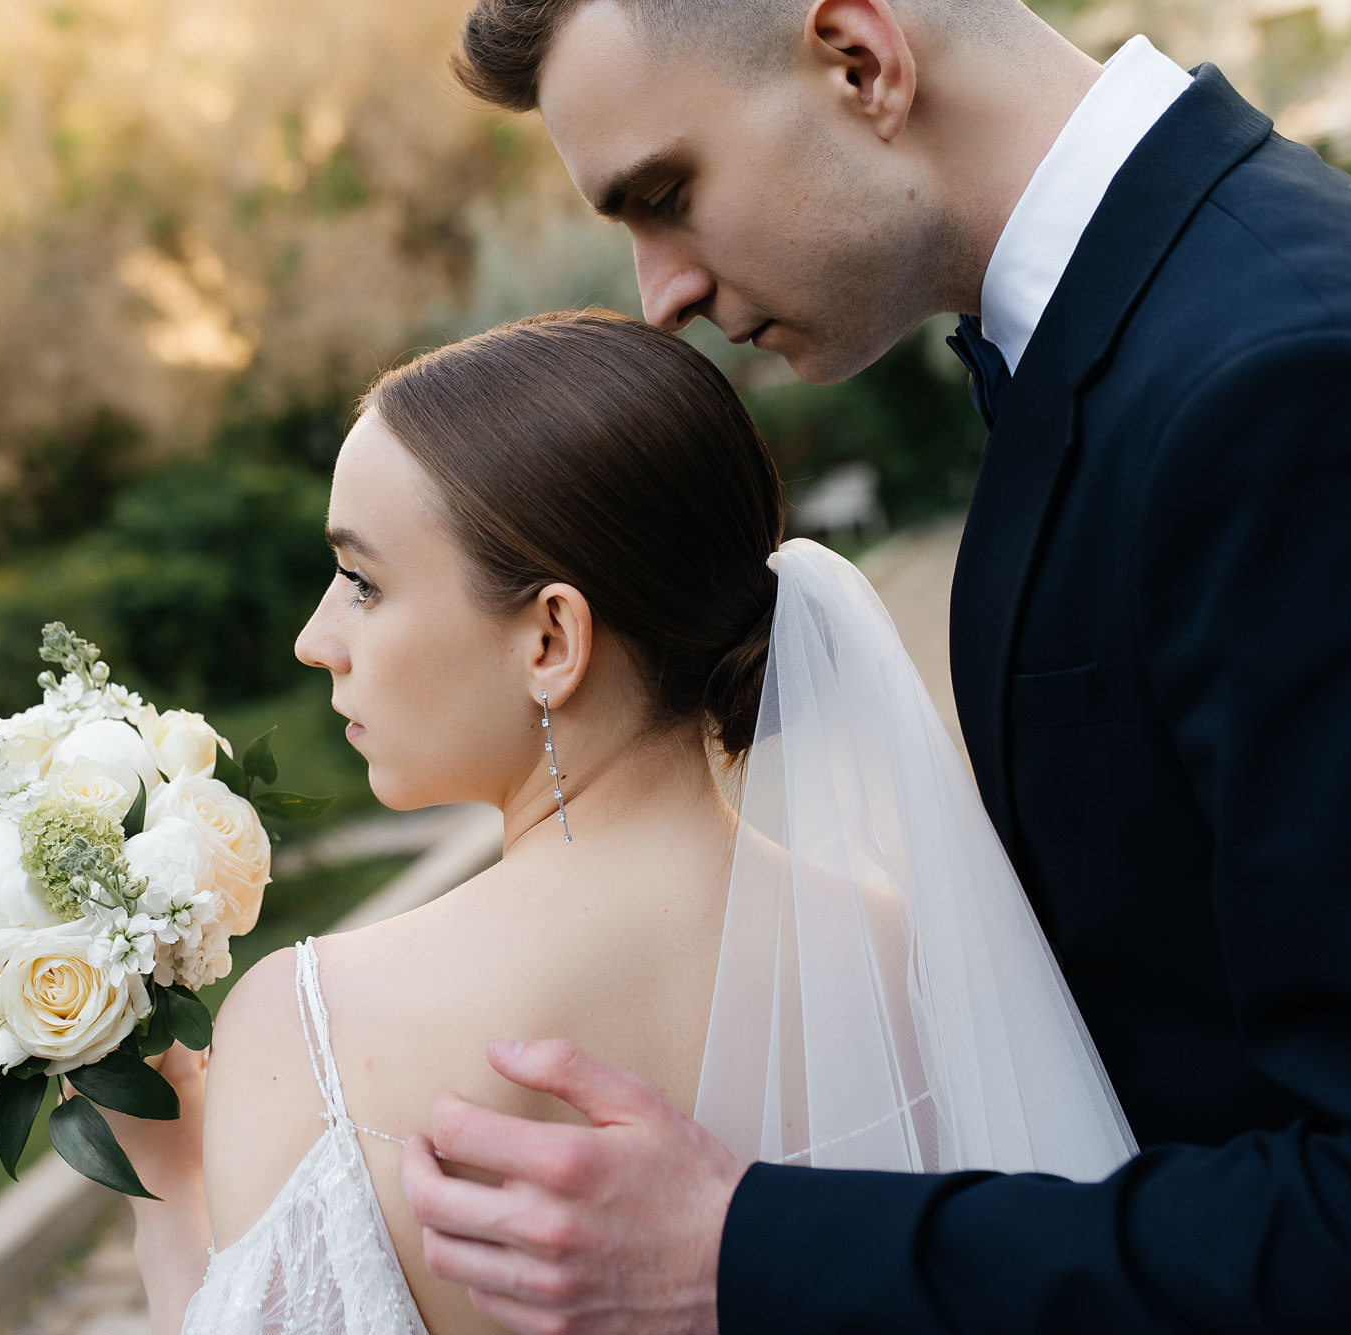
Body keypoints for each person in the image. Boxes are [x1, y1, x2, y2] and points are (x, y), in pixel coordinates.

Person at [396, 0, 1351, 1330]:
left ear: (858, 60)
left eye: (667, 195)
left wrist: (740, 1248)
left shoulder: (1282, 383)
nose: (663, 294)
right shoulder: (1146, 334)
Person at [111, 308, 1134, 1334]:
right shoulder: (920, 962)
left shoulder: (309, 1029)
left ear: (551, 638)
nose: (313, 640)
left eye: (362, 584)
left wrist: (165, 1196)